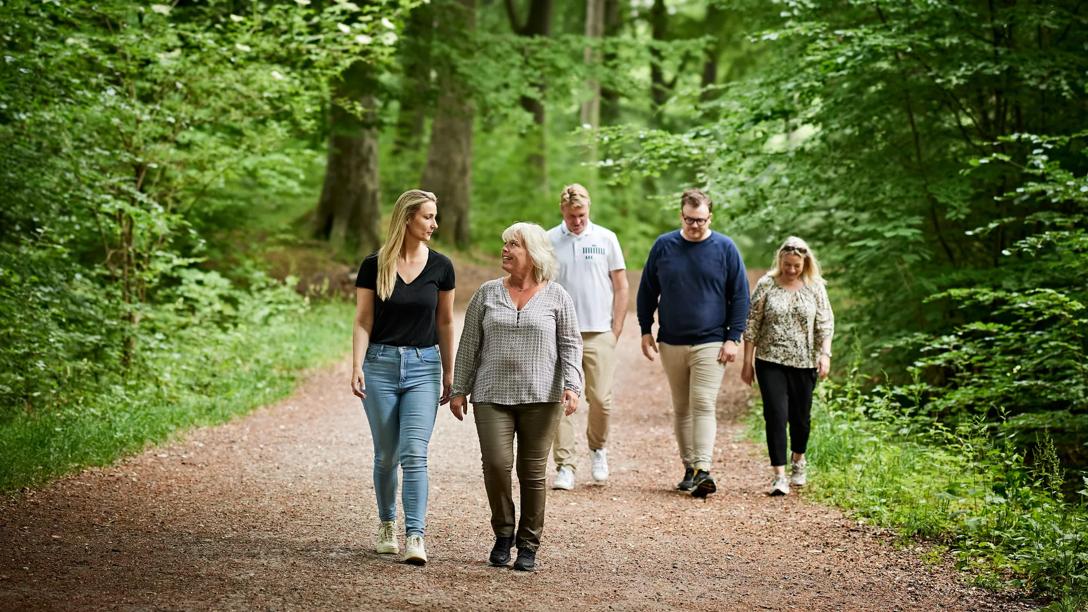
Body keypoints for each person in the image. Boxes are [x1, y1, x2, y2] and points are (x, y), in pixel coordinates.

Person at [450, 222, 583, 572]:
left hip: (541, 396)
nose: (505, 250)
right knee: (496, 465)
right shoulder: (487, 293)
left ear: (533, 254)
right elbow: (469, 345)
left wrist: (572, 384)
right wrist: (459, 388)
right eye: (505, 243)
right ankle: (503, 533)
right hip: (491, 394)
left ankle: (528, 543)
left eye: (514, 245)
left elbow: (571, 345)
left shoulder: (557, 296)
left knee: (532, 472)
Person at [351, 189, 455, 565]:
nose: (434, 224)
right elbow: (363, 321)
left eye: (434, 216)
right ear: (408, 218)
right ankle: (386, 524)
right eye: (428, 216)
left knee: (415, 453)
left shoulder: (442, 267)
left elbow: (445, 321)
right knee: (386, 456)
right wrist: (356, 365)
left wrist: (449, 371)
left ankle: (416, 535)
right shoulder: (374, 265)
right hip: (379, 364)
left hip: (424, 367)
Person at [636, 188, 750, 499]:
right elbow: (647, 290)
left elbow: (740, 296)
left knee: (702, 402)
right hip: (671, 340)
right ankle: (689, 468)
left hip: (711, 340)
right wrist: (645, 329)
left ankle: (703, 468)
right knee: (682, 407)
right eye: (688, 219)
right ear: (681, 215)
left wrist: (733, 337)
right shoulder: (664, 246)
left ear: (709, 217)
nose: (694, 225)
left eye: (699, 220)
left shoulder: (725, 249)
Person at [547, 183, 628, 490]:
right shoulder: (549, 239)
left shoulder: (606, 238)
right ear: (562, 212)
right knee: (561, 400)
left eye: (581, 215)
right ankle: (565, 464)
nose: (577, 221)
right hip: (560, 333)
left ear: (588, 209)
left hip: (599, 332)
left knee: (601, 400)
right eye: (571, 216)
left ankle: (598, 448)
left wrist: (615, 328)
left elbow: (620, 286)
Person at [740, 236, 834, 496]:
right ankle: (779, 475)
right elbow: (752, 325)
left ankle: (798, 460)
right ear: (780, 260)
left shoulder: (815, 287)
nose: (791, 270)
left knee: (801, 418)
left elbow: (825, 324)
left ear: (805, 263)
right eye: (787, 265)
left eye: (796, 266)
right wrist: (747, 362)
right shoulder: (767, 284)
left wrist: (825, 355)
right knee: (776, 415)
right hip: (770, 361)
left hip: (805, 362)